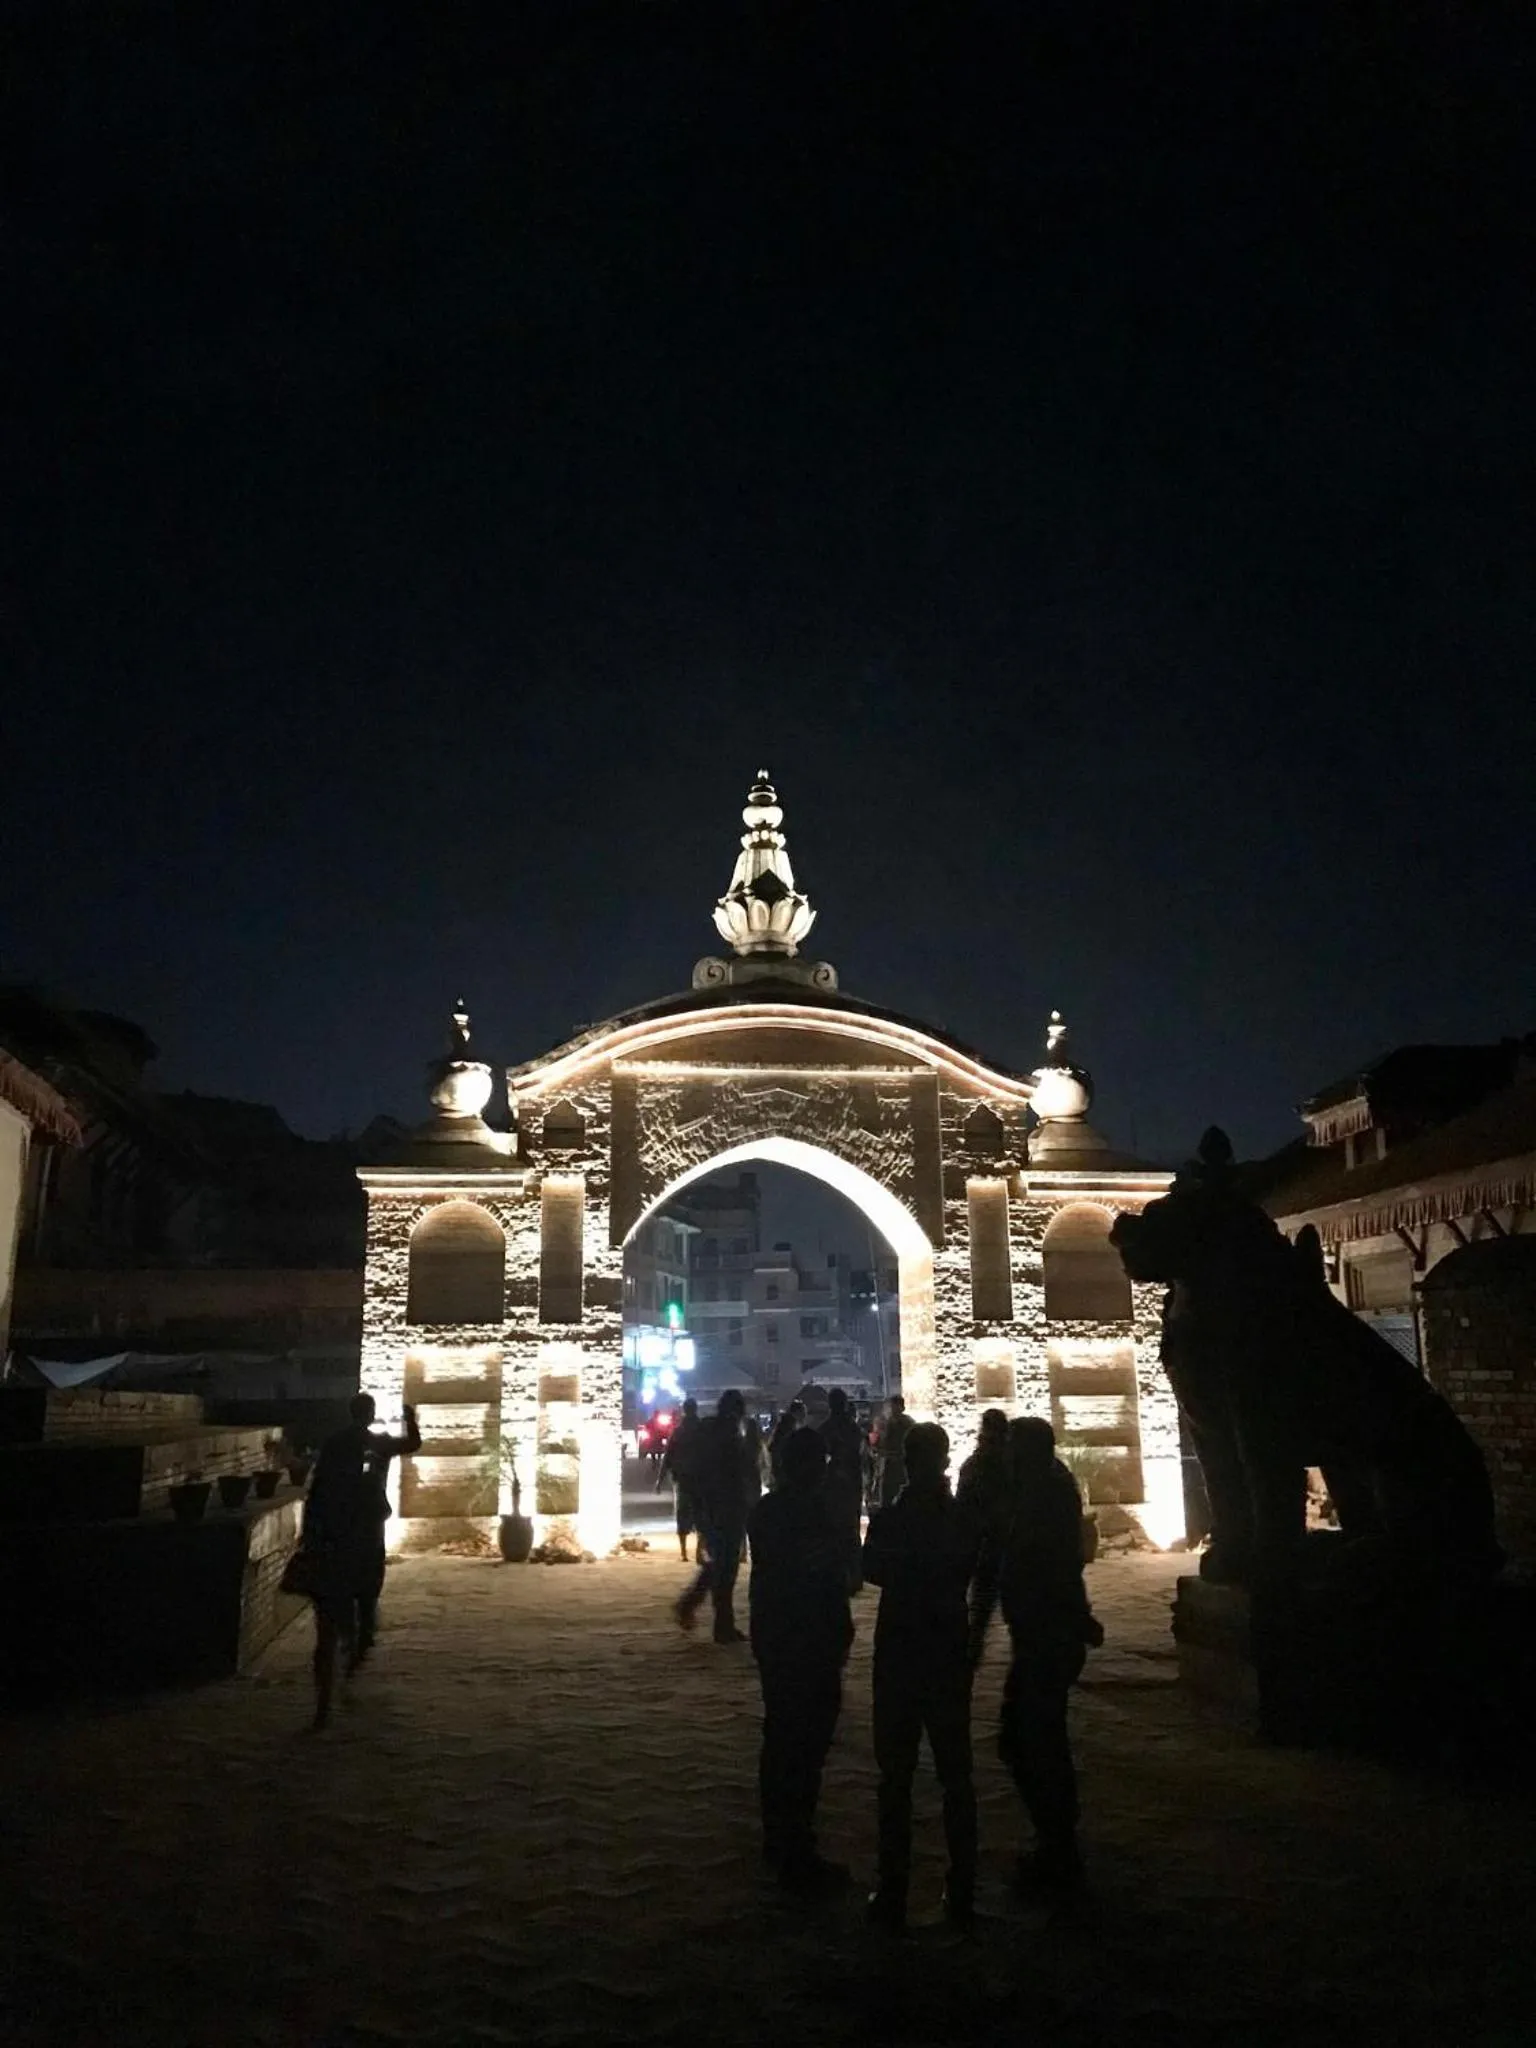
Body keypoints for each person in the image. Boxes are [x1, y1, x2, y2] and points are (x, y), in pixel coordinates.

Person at [972, 1417, 1104, 1896]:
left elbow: (1047, 1567)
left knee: (1032, 1741)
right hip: (1043, 1633)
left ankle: (1058, 1851)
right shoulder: (1043, 1490)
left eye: (1012, 1447)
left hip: (1047, 1636)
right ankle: (1056, 1844)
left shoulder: (1042, 1498)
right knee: (1034, 1740)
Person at [862, 1422, 982, 1930]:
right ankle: (962, 1888)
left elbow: (871, 1568)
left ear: (907, 1462)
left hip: (900, 1651)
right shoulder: (960, 1518)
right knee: (956, 1775)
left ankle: (894, 1889)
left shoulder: (894, 1518)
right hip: (947, 1647)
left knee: (895, 1777)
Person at [747, 1427, 854, 1892]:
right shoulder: (811, 1513)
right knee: (805, 1746)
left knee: (780, 1738)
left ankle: (779, 1837)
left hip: (775, 1635)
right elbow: (828, 1576)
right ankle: (797, 1851)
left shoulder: (766, 1511)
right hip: (808, 1640)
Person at [302, 1393, 421, 1727]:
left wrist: (310, 1535)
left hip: (334, 1538)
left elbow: (316, 1491)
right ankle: (351, 1660)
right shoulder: (377, 1443)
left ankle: (326, 1699)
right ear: (370, 1414)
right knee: (366, 1602)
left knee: (329, 1625)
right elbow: (412, 1444)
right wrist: (410, 1419)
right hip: (366, 1536)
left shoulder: (334, 1444)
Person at [674, 1389, 758, 1642]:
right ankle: (719, 1623)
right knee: (725, 1566)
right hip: (725, 1507)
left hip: (710, 1506)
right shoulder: (728, 1435)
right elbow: (737, 1471)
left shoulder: (709, 1431)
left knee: (719, 1564)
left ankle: (699, 1609)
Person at [817, 1386, 867, 1592]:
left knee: (835, 1531)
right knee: (851, 1530)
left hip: (835, 1485)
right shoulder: (853, 1428)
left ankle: (840, 1576)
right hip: (851, 1484)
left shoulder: (826, 1428)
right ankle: (853, 1577)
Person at [656, 1396, 704, 1562]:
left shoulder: (678, 1432)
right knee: (701, 1515)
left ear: (684, 1411)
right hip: (700, 1479)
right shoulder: (702, 1430)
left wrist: (660, 1479)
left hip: (682, 1479)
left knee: (682, 1514)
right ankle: (699, 1551)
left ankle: (684, 1552)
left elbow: (668, 1456)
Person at [876, 1393, 913, 1507]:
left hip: (900, 1465)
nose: (891, 1410)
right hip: (889, 1465)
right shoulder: (888, 1423)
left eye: (893, 1406)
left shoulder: (907, 1424)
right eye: (890, 1407)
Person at [767, 1399, 807, 1488]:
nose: (805, 1415)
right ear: (797, 1412)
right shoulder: (789, 1427)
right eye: (803, 1412)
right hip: (785, 1471)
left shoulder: (785, 1425)